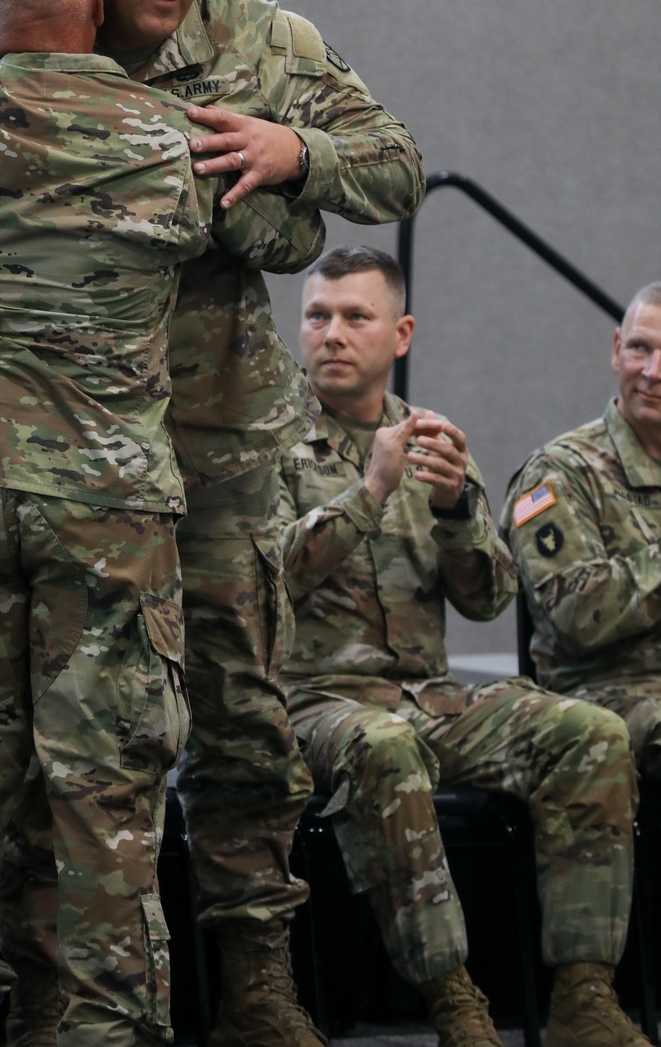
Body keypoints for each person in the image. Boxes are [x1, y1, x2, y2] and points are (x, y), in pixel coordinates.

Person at [0, 0, 425, 1047]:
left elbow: (394, 167)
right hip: (69, 468)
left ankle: (256, 974)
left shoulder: (257, 43)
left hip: (200, 451)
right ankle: (58, 999)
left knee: (238, 716)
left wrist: (291, 151)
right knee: (73, 764)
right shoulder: (21, 35)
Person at [278, 245, 646, 1047]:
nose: (332, 334)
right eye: (317, 316)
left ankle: (585, 995)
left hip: (431, 699)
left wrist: (451, 506)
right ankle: (456, 1005)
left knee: (590, 732)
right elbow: (268, 584)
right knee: (382, 747)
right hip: (314, 704)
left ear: (400, 333)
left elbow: (486, 598)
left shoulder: (432, 441)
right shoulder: (259, 446)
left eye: (355, 317)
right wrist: (370, 491)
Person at [503, 283, 661, 772]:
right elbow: (576, 616)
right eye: (641, 348)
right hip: (607, 697)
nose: (653, 372)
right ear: (617, 350)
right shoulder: (557, 472)